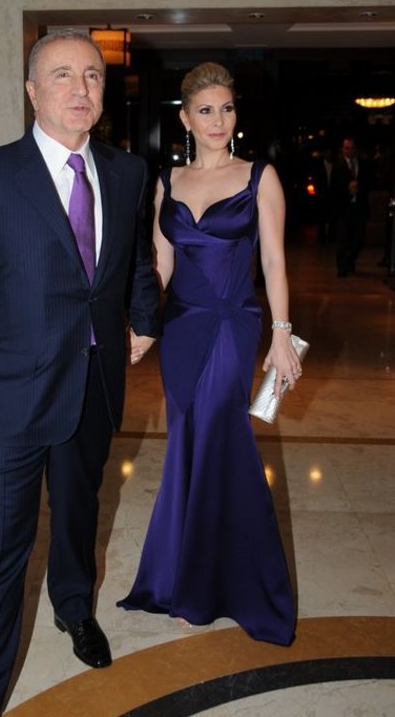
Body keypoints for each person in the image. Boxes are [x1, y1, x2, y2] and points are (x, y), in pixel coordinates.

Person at [0, 29, 160, 717]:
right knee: (1, 546)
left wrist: (145, 319)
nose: (80, 88)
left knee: (79, 512)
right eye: (62, 75)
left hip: (94, 384)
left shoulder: (126, 172)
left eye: (92, 75)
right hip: (11, 394)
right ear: (33, 91)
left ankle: (73, 607)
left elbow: (135, 260)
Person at [117, 62, 301, 646]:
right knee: (187, 443)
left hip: (232, 323)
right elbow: (161, 262)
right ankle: (180, 574)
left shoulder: (259, 176)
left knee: (222, 437)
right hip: (183, 328)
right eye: (205, 110)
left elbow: (273, 260)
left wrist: (281, 332)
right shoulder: (167, 181)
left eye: (226, 108)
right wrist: (144, 324)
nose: (218, 120)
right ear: (186, 119)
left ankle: (216, 585)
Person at [331, 136, 370, 277]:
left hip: (359, 207)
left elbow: (369, 183)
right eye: (347, 148)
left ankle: (350, 260)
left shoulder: (363, 164)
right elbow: (334, 188)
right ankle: (342, 267)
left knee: (358, 239)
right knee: (342, 238)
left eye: (352, 148)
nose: (349, 151)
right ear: (342, 149)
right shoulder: (338, 166)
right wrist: (348, 190)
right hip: (343, 208)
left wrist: (358, 188)